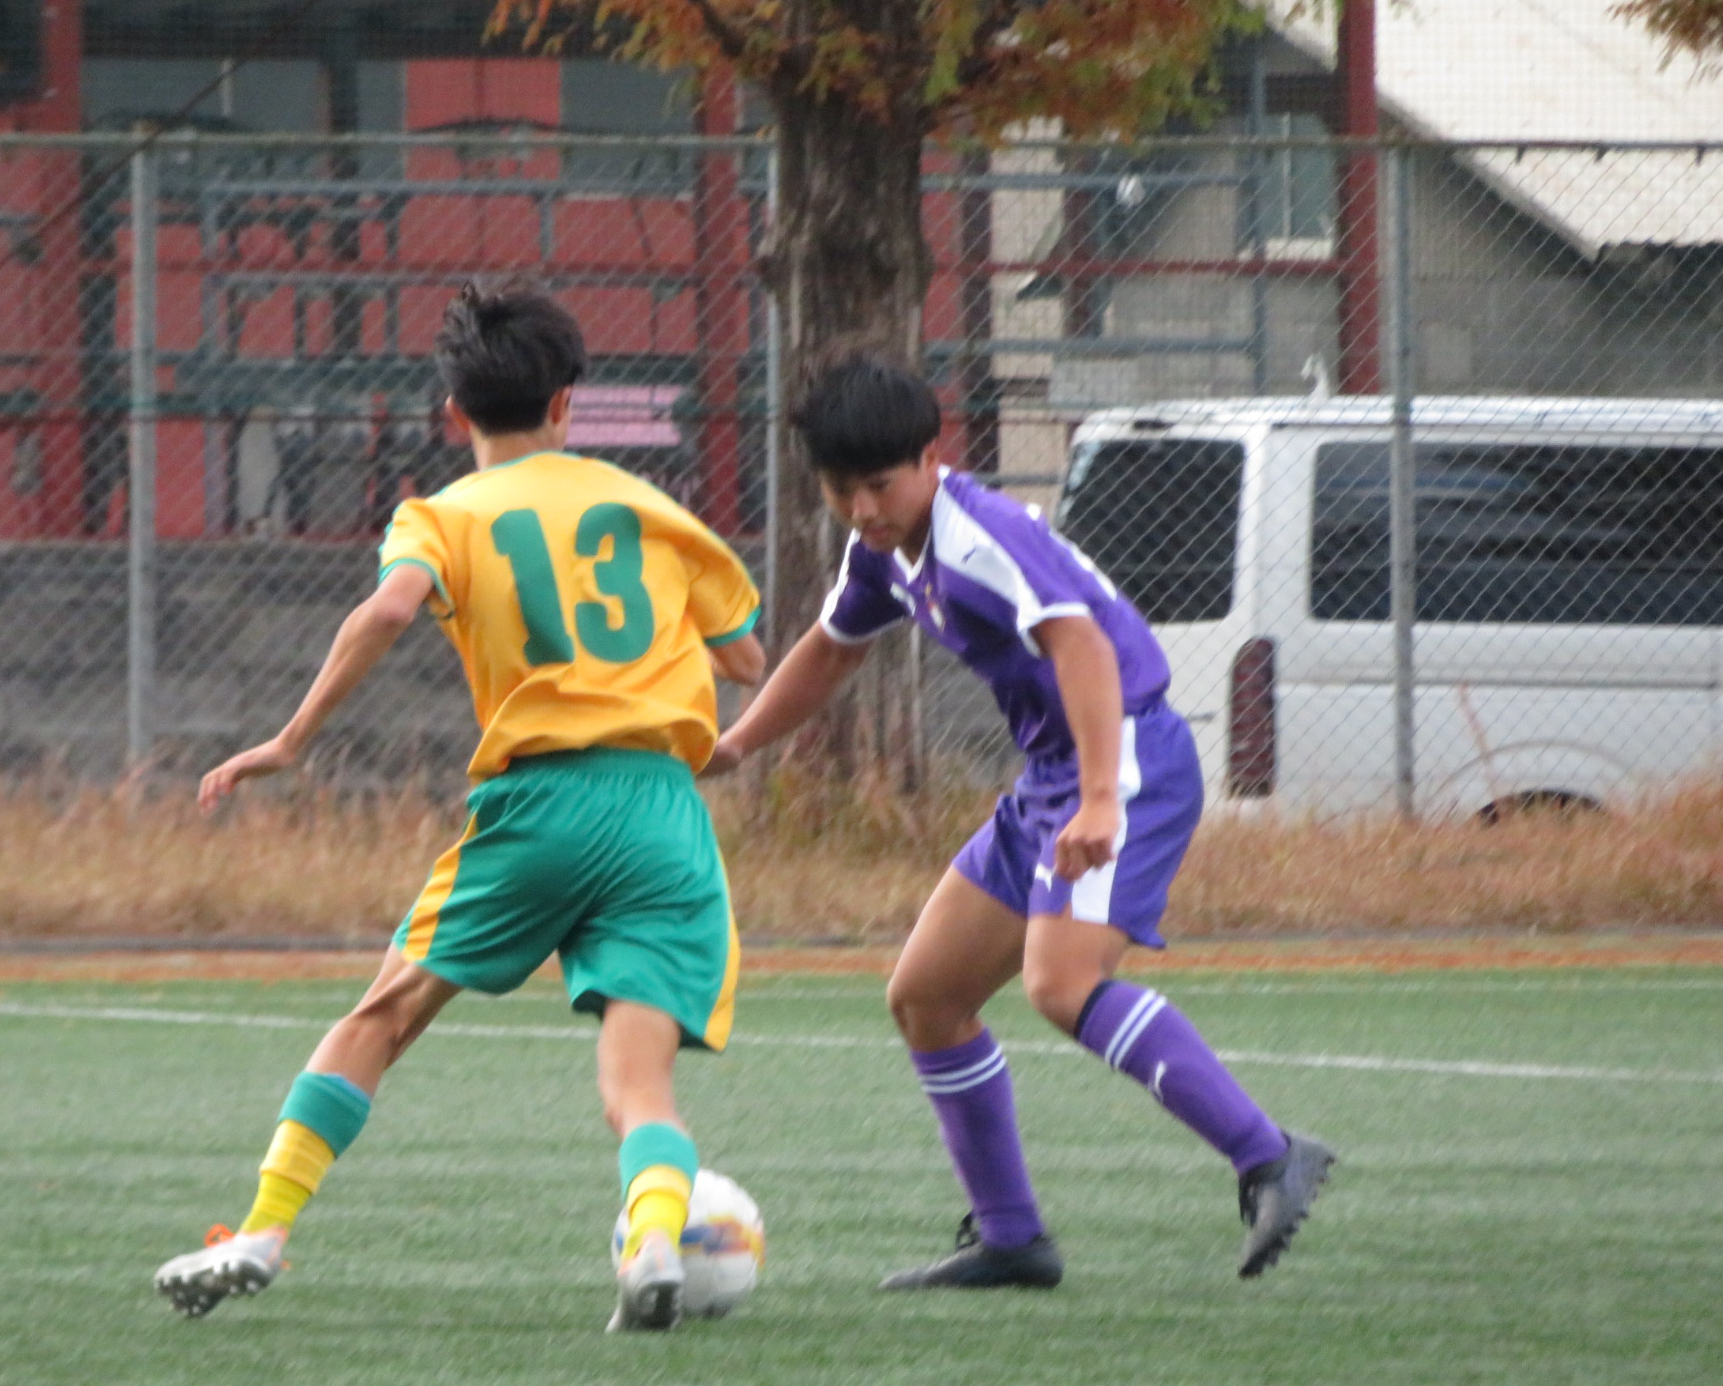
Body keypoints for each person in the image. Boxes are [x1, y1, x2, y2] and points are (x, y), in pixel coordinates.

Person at [153, 284, 765, 1332]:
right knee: (639, 1085)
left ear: (453, 412)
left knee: (383, 1016)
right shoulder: (649, 507)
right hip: (661, 811)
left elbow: (390, 606)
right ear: (566, 403)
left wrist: (292, 740)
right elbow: (745, 656)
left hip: (540, 803)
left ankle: (260, 1230)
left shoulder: (441, 515)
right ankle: (655, 1239)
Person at [705, 356, 1331, 1289]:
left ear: (931, 458)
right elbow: (831, 651)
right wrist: (736, 746)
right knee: (927, 998)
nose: (863, 509)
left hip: (1124, 759)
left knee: (1061, 983)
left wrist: (1101, 798)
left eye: (880, 485)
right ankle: (1011, 1239)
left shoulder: (978, 534)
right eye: (841, 490)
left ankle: (1269, 1155)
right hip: (1051, 777)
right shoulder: (883, 551)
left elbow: (1082, 644)